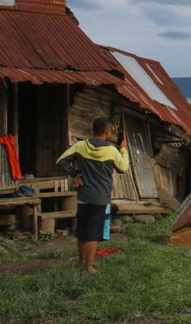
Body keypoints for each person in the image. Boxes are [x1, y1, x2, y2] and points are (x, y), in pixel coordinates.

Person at [56, 116, 129, 274]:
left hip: (83, 196)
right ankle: (88, 267)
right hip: (101, 198)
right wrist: (122, 149)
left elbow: (61, 161)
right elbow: (123, 168)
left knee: (82, 231)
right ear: (107, 132)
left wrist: (75, 173)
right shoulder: (111, 151)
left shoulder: (81, 146)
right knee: (93, 234)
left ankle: (82, 261)